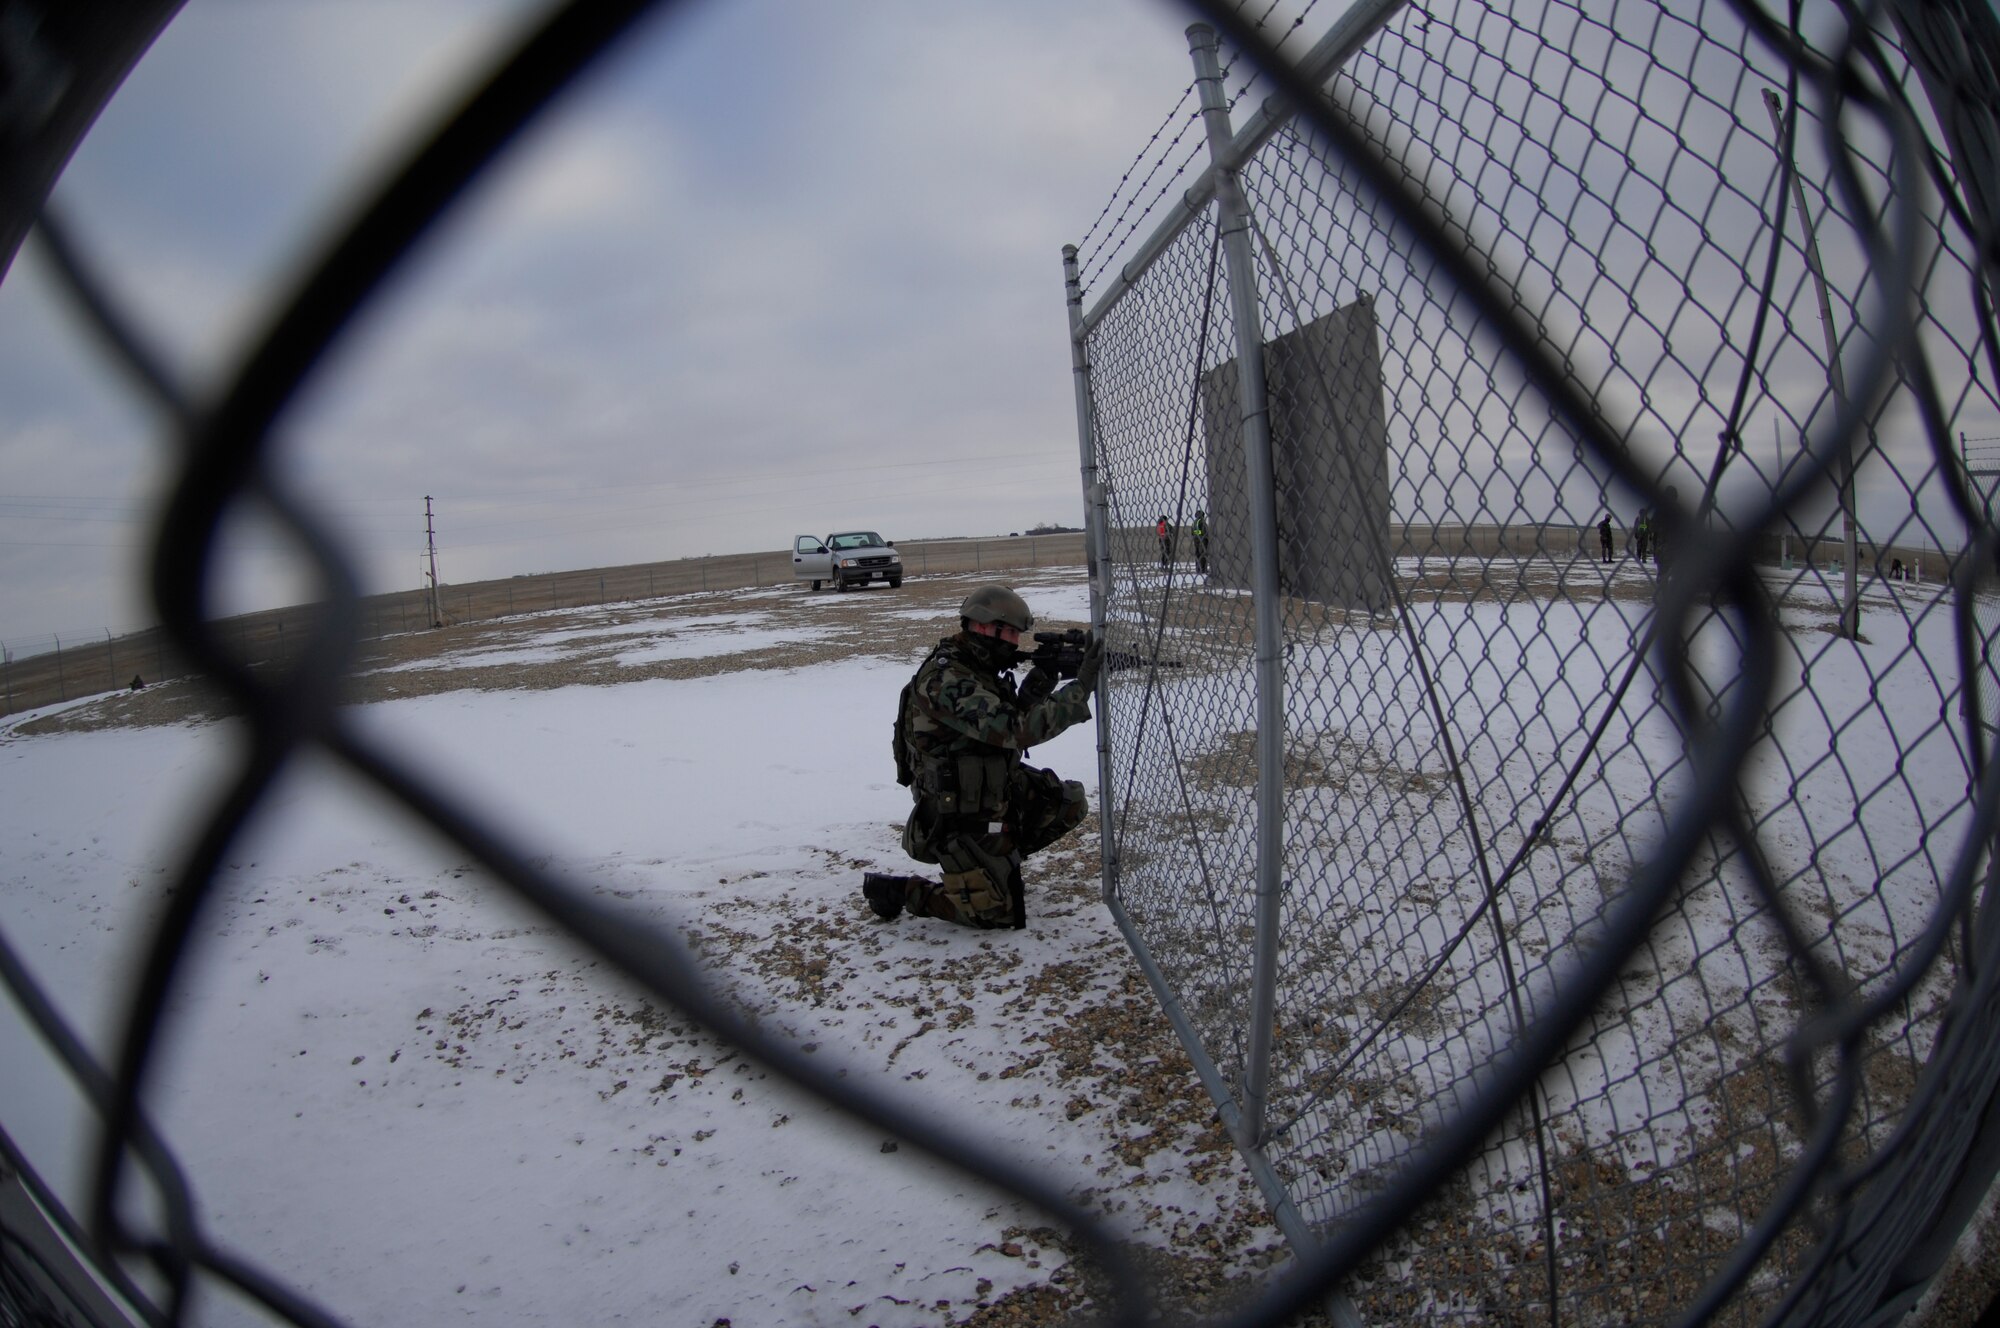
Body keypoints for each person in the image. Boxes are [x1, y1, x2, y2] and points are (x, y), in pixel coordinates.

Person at [863, 585, 1103, 931]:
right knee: (998, 914)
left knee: (1067, 803)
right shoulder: (947, 679)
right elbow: (1014, 730)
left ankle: (994, 865)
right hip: (956, 810)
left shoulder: (974, 664)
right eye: (1009, 634)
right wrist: (1080, 688)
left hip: (989, 790)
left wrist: (1038, 686)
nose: (1014, 644)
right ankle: (903, 891)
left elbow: (995, 724)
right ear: (983, 627)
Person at [1192, 509, 1210, 576]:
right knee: (1203, 554)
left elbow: (1192, 532)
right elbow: (1204, 531)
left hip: (1196, 540)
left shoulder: (1194, 523)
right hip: (1202, 540)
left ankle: (1198, 568)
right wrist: (1204, 535)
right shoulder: (1201, 522)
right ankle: (1203, 569)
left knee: (1197, 554)